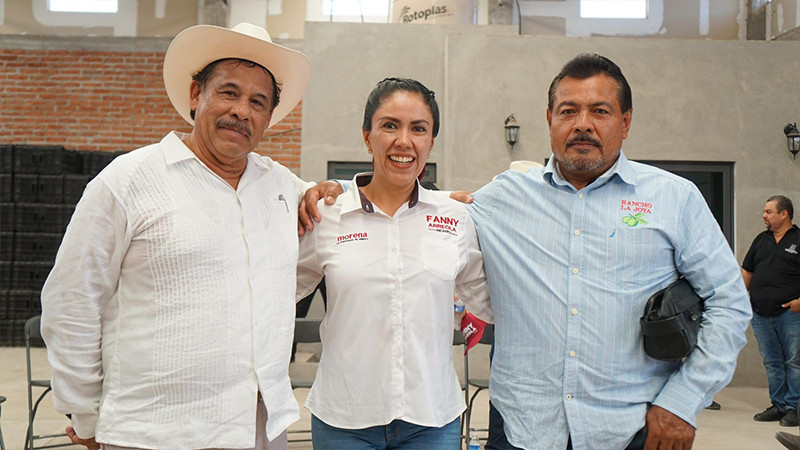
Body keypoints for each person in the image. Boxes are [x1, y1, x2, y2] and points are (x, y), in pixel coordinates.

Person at [303, 53, 752, 450]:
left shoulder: (675, 199)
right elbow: (410, 203)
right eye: (568, 111)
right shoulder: (503, 197)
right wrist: (343, 193)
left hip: (631, 427)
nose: (583, 124)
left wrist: (683, 400)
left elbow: (730, 304)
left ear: (626, 120)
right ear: (549, 119)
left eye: (600, 111)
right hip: (523, 430)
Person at [40, 22, 334, 450]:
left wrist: (454, 204)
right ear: (197, 95)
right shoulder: (128, 181)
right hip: (153, 432)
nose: (242, 111)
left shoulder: (281, 187)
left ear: (270, 117)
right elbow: (73, 301)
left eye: (258, 101)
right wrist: (84, 412)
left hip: (259, 431)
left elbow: (335, 228)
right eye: (229, 92)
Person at [295, 77, 490, 449]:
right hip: (344, 417)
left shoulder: (456, 218)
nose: (404, 141)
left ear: (431, 141)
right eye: (390, 126)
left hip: (431, 419)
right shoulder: (327, 216)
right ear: (367, 136)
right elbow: (277, 293)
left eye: (419, 129)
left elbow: (489, 300)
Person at [742, 195, 800, 428]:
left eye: (768, 212)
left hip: (790, 314)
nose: (764, 216)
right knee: (772, 361)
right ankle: (778, 405)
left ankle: (793, 408)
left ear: (784, 213)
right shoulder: (761, 240)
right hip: (760, 313)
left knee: (794, 361)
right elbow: (747, 271)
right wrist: (737, 299)